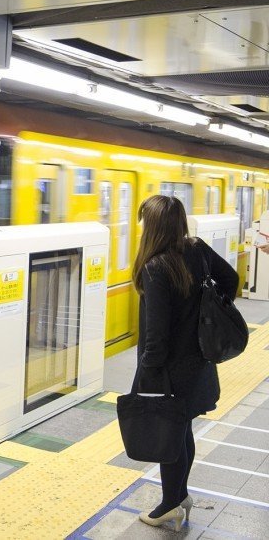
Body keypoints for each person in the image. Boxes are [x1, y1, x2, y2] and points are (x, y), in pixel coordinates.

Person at [131, 195, 238, 530]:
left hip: (168, 370)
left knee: (168, 437)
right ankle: (180, 496)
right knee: (182, 430)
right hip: (198, 360)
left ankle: (169, 505)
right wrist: (204, 314)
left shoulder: (155, 267)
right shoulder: (198, 249)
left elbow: (156, 335)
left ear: (153, 226)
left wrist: (146, 376)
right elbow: (231, 280)